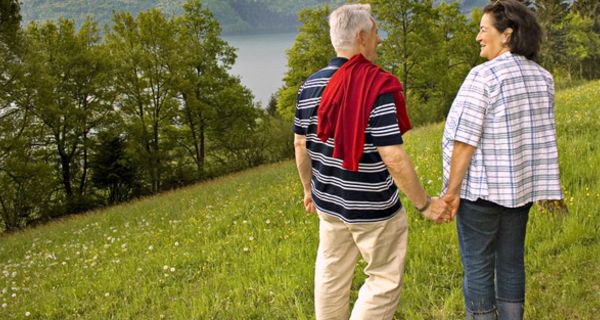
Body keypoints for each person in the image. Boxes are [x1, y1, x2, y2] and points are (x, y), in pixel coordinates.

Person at [293, 4, 451, 320]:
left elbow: (300, 144)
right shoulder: (374, 86)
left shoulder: (309, 85)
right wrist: (424, 204)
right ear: (362, 37)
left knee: (331, 272)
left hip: (329, 205)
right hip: (373, 209)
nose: (380, 40)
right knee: (383, 279)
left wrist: (309, 190)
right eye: (376, 33)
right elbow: (392, 154)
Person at [441, 1, 563, 319]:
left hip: (479, 195)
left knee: (478, 268)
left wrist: (451, 192)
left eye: (484, 30)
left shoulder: (483, 77)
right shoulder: (542, 77)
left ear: (507, 35)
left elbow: (464, 141)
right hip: (519, 192)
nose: (478, 37)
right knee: (511, 262)